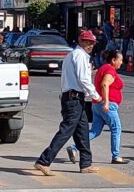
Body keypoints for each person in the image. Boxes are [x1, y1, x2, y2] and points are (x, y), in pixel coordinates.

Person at [34, 30, 103, 175]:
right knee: (66, 131)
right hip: (74, 98)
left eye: (92, 43)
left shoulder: (73, 55)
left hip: (74, 98)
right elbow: (83, 79)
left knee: (82, 131)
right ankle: (44, 161)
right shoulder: (79, 55)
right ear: (81, 41)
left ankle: (86, 164)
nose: (91, 45)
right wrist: (95, 95)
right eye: (88, 42)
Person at [69, 49, 128, 164]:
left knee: (95, 131)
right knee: (116, 129)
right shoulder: (109, 70)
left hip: (97, 104)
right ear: (113, 60)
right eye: (120, 60)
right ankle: (116, 156)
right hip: (107, 105)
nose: (121, 62)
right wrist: (106, 102)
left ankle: (74, 147)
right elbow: (104, 84)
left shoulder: (103, 68)